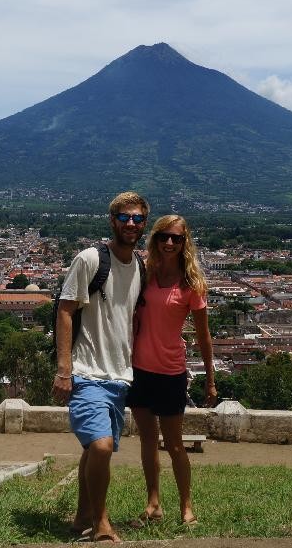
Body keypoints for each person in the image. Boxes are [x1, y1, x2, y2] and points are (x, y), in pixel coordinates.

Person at [52, 191, 149, 543]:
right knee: (103, 447)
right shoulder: (91, 259)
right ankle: (101, 522)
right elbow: (65, 311)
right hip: (86, 371)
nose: (131, 224)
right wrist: (64, 370)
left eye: (138, 218)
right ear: (112, 220)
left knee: (93, 449)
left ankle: (81, 517)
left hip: (119, 376)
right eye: (125, 217)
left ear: (144, 224)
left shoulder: (139, 267)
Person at [126, 214, 216, 526]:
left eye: (176, 238)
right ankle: (153, 503)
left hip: (170, 372)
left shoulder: (191, 284)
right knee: (147, 441)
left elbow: (204, 335)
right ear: (155, 239)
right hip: (139, 369)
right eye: (163, 236)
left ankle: (186, 505)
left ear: (184, 242)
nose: (169, 243)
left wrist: (210, 380)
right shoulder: (144, 273)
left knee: (175, 444)